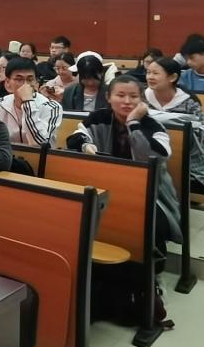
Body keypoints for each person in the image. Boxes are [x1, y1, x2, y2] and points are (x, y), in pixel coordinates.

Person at [67, 76, 182, 261]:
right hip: (104, 186)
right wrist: (86, 145)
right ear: (108, 97)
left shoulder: (152, 125)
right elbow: (76, 137)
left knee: (150, 223)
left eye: (133, 96)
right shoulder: (99, 118)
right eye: (120, 95)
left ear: (141, 100)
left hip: (148, 193)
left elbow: (157, 155)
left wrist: (133, 122)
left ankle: (150, 264)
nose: (127, 101)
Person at [145, 57, 204, 187]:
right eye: (148, 72)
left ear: (172, 77)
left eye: (155, 73)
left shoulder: (189, 102)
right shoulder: (143, 97)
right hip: (152, 156)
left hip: (188, 160)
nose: (150, 77)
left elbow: (203, 135)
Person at [0, 57, 63, 146]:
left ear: (36, 83)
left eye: (30, 80)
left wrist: (27, 102)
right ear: (7, 83)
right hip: (5, 154)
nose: (25, 85)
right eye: (19, 79)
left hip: (39, 155)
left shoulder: (52, 107)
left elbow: (38, 144)